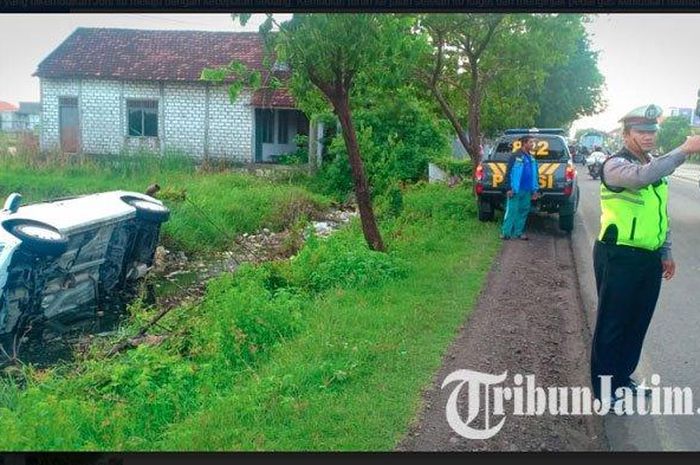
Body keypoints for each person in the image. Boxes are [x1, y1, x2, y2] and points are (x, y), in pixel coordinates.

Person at [590, 104, 700, 402]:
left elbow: (659, 213)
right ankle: (604, 390)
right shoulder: (614, 165)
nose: (649, 136)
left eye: (652, 131)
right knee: (613, 324)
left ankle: (623, 380)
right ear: (626, 135)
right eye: (641, 131)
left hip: (648, 258)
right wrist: (684, 149)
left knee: (637, 322)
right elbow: (641, 177)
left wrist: (666, 251)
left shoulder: (654, 163)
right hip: (619, 255)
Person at [500, 135, 540, 241]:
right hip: (515, 190)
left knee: (523, 211)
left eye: (533, 142)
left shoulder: (531, 158)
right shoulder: (515, 156)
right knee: (511, 211)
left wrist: (535, 190)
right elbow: (508, 173)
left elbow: (535, 175)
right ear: (524, 143)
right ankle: (505, 233)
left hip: (527, 191)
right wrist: (508, 188)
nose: (532, 144)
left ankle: (518, 232)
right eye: (530, 142)